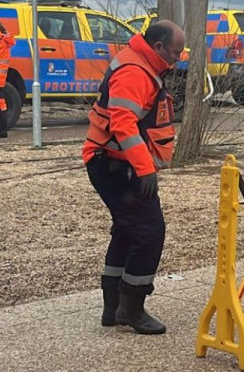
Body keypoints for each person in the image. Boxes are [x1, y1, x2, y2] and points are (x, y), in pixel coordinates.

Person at [83, 20, 185, 335]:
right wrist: (144, 168)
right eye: (175, 51)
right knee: (149, 233)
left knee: (127, 232)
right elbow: (123, 123)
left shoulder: (140, 63)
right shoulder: (134, 71)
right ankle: (131, 309)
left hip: (114, 163)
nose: (178, 58)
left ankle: (113, 308)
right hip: (118, 166)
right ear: (157, 47)